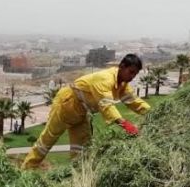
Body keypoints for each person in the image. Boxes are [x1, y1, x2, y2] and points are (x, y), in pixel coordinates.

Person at [21, 54, 150, 169]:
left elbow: (134, 102)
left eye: (135, 74)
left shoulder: (123, 84)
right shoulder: (105, 79)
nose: (132, 77)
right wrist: (126, 125)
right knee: (47, 140)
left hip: (81, 112)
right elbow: (107, 106)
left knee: (82, 148)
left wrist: (151, 113)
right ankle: (26, 170)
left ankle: (75, 176)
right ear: (122, 66)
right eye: (131, 72)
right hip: (66, 105)